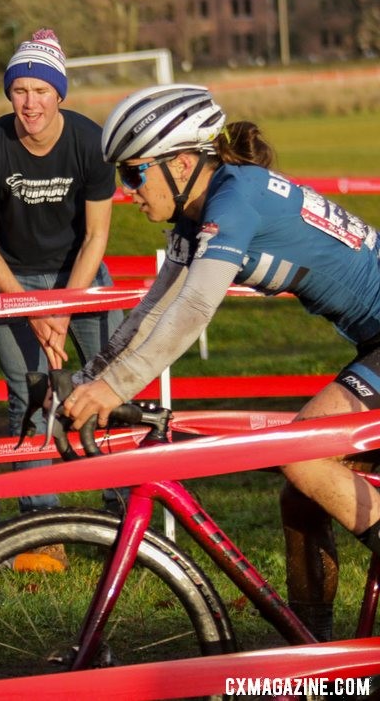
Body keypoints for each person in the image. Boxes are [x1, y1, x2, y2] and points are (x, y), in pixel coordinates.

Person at [64, 82, 380, 642]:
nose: (126, 190)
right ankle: (316, 657)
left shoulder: (236, 197)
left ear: (182, 162)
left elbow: (195, 307)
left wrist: (112, 390)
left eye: (134, 173)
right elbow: (152, 310)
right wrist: (89, 380)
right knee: (301, 493)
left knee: (302, 458)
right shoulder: (199, 213)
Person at [0, 28, 125, 535]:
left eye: (41, 91)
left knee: (110, 385)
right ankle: (39, 521)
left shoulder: (91, 142)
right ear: (10, 93)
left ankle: (120, 510)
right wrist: (29, 309)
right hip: (12, 278)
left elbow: (97, 234)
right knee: (29, 396)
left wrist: (64, 307)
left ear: (59, 94)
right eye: (20, 91)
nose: (30, 103)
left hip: (81, 274)